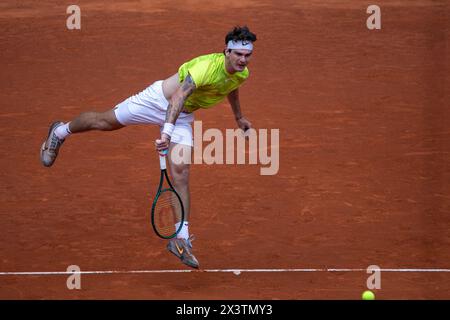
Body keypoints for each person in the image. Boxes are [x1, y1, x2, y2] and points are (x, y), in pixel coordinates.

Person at [40, 26, 257, 269]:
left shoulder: (242, 73)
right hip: (157, 102)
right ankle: (59, 131)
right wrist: (166, 131)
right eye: (238, 54)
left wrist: (239, 117)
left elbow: (230, 88)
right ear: (226, 51)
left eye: (247, 55)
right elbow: (178, 97)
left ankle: (180, 239)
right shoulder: (205, 67)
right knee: (104, 122)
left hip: (183, 116)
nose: (243, 60)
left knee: (181, 173)